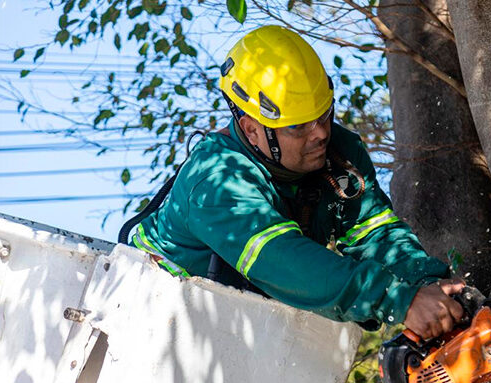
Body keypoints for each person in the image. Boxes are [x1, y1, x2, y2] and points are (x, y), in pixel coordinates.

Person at [128, 25, 463, 339]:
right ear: (251, 130)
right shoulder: (216, 180)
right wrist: (398, 300)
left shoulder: (339, 155)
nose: (320, 134)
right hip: (158, 321)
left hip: (249, 323)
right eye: (298, 126)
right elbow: (284, 260)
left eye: (324, 115)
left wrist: (426, 283)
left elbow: (376, 234)